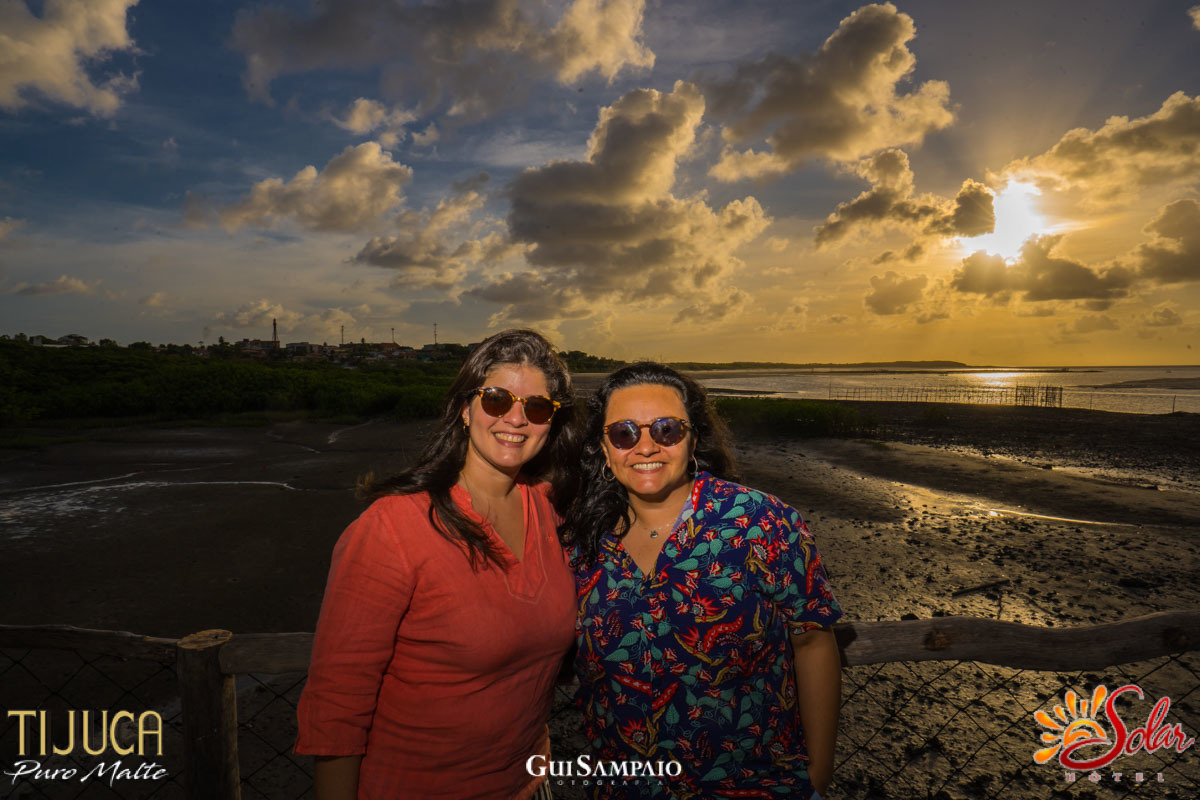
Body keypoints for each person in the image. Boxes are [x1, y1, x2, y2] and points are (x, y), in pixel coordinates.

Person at [295, 329, 580, 800]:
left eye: (536, 407)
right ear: (465, 410)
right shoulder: (392, 528)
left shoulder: (551, 510)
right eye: (496, 400)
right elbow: (337, 707)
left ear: (551, 422)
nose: (516, 419)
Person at [561, 363, 842, 800]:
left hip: (754, 786)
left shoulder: (760, 522)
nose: (646, 446)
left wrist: (818, 777)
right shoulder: (582, 542)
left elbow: (813, 640)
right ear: (604, 447)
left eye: (667, 429)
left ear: (693, 437)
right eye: (624, 433)